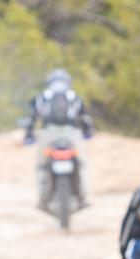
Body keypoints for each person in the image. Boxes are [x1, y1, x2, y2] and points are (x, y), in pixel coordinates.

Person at [24, 68, 94, 207]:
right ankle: (83, 197)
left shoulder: (43, 96)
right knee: (80, 165)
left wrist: (29, 135)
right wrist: (87, 133)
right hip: (71, 134)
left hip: (48, 134)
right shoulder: (73, 96)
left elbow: (31, 118)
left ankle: (43, 199)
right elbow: (85, 118)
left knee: (42, 166)